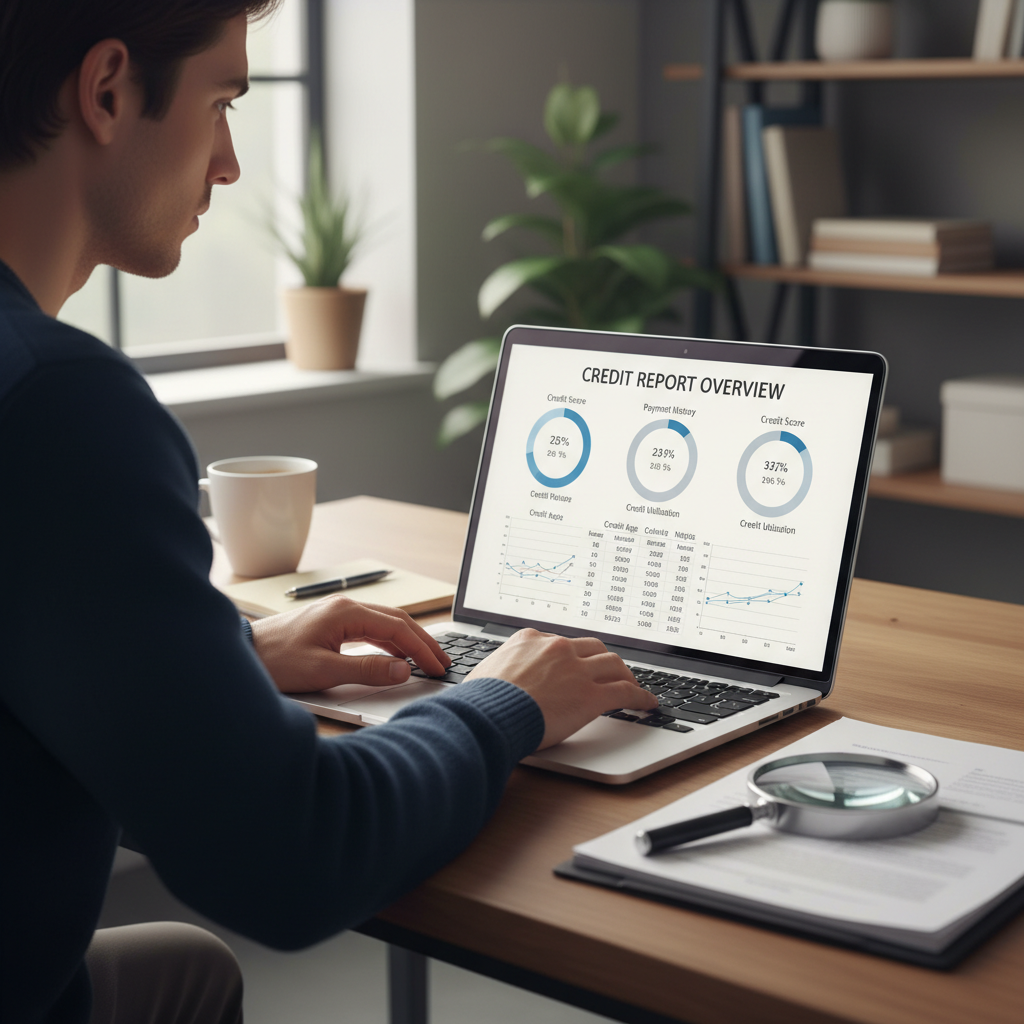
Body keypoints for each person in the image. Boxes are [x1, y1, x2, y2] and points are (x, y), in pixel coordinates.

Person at [0, 3, 657, 1023]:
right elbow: (294, 855)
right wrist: (505, 702)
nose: (225, 163)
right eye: (221, 101)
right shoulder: (53, 404)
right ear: (106, 90)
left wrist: (228, 662)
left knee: (186, 968)